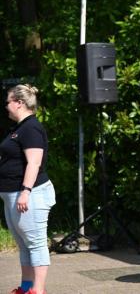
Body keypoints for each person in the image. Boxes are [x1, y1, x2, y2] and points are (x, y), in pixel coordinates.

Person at [0, 85, 56, 294]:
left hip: (30, 195)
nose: (6, 107)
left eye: (8, 102)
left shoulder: (30, 128)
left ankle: (38, 291)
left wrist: (25, 191)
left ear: (19, 103)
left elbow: (34, 163)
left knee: (36, 244)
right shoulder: (17, 129)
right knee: (24, 246)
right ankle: (26, 288)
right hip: (11, 195)